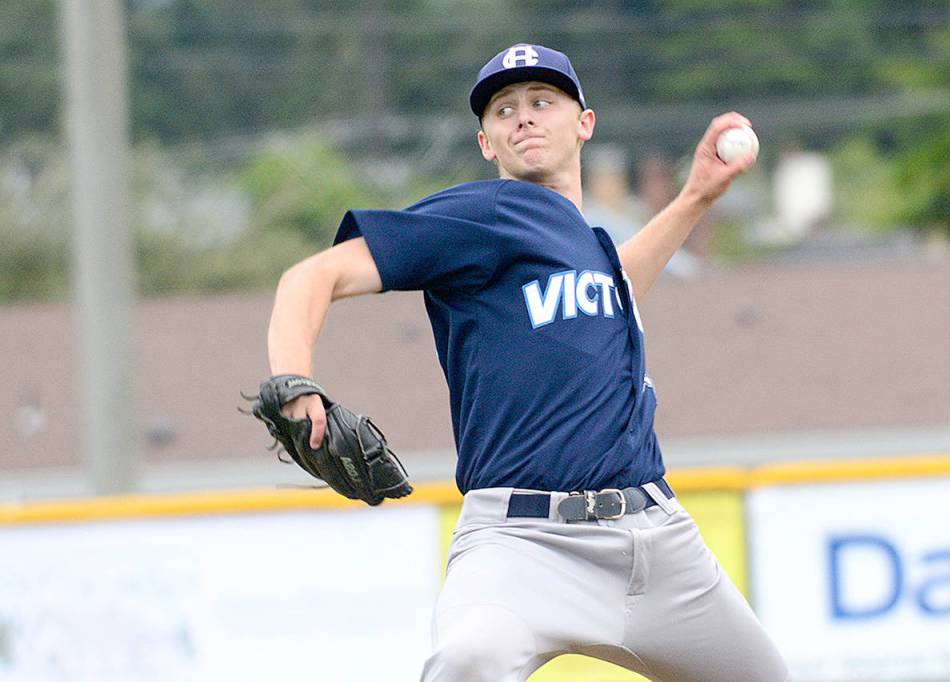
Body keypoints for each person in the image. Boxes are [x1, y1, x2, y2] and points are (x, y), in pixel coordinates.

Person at [267, 43, 790, 682]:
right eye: (504, 110)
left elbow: (615, 287)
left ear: (584, 124)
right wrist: (295, 383)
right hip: (523, 545)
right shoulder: (482, 217)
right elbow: (311, 277)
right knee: (467, 661)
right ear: (487, 143)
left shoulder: (586, 243)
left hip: (657, 541)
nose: (524, 117)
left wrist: (696, 198)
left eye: (543, 102)